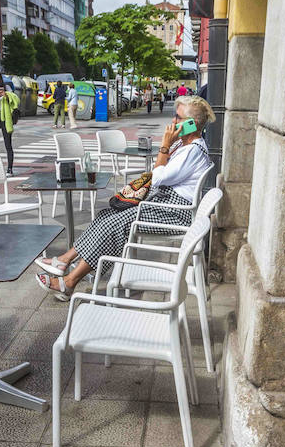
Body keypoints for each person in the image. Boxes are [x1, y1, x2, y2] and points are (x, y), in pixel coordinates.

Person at [36, 95, 214, 298]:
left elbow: (156, 178)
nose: (172, 122)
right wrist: (168, 147)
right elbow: (158, 175)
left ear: (191, 124)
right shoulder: (185, 146)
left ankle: (69, 281)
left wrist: (165, 145)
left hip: (174, 212)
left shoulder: (192, 150)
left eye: (177, 117)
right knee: (107, 215)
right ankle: (65, 261)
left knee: (116, 225)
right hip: (164, 204)